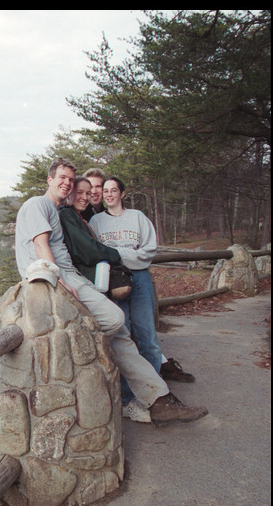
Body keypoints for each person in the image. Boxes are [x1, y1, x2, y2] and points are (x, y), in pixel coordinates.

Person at [15, 158, 207, 427]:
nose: (67, 183)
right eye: (62, 178)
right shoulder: (38, 204)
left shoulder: (59, 211)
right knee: (115, 320)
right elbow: (40, 244)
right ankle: (87, 354)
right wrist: (57, 279)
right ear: (49, 179)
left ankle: (158, 400)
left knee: (121, 334)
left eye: (70, 179)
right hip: (61, 279)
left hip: (73, 277)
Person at [89, 177, 195, 383]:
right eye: (106, 191)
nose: (109, 195)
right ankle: (130, 388)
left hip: (139, 278)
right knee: (123, 334)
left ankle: (156, 387)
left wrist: (116, 254)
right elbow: (96, 252)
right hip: (113, 280)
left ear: (122, 194)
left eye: (113, 190)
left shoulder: (138, 217)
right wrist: (123, 256)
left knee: (147, 334)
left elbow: (148, 251)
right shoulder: (96, 222)